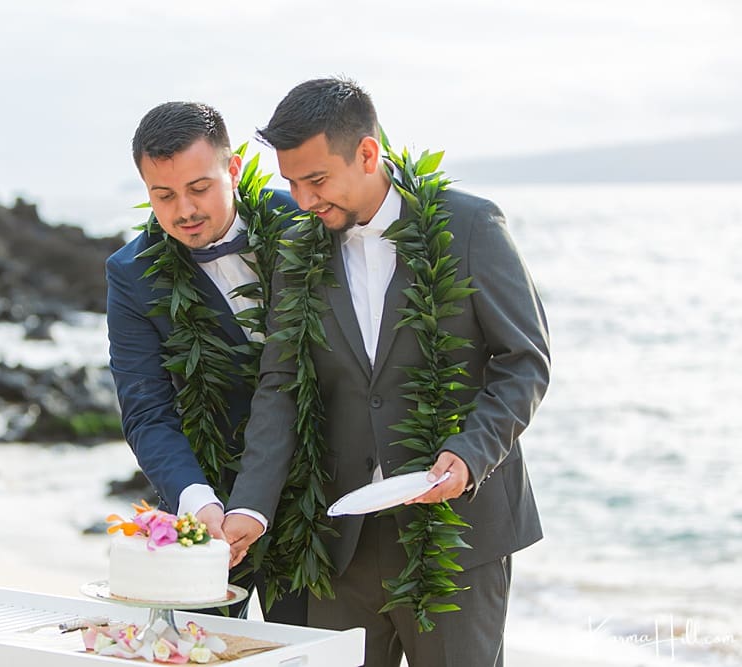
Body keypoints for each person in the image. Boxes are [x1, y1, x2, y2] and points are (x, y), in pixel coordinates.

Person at [223, 78, 550, 666]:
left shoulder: (471, 225)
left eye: (316, 180)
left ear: (368, 153)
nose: (302, 199)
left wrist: (470, 454)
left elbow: (524, 360)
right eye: (291, 182)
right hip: (339, 544)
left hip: (458, 537)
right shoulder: (297, 252)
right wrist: (250, 507)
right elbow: (280, 389)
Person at [106, 101, 306, 624]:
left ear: (233, 169)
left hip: (317, 503)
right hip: (208, 509)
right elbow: (146, 410)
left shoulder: (304, 223)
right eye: (164, 195)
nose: (184, 211)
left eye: (199, 188)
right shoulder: (131, 275)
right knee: (195, 649)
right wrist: (197, 502)